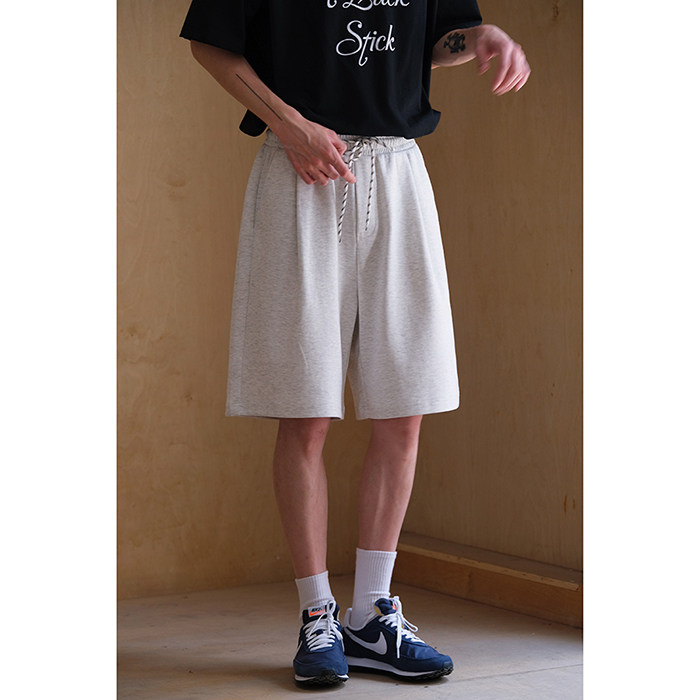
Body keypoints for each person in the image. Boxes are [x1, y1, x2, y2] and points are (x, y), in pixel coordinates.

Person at [179, 0, 530, 688]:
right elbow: (209, 42)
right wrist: (288, 123)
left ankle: (371, 614)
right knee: (305, 410)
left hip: (398, 171)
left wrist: (478, 37)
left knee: (405, 405)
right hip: (299, 167)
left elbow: (433, 43)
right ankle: (317, 614)